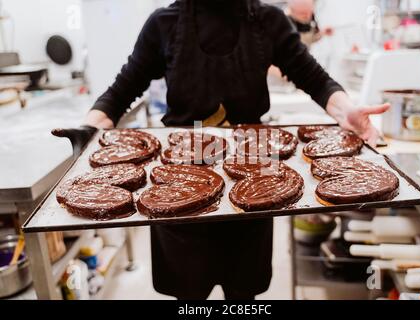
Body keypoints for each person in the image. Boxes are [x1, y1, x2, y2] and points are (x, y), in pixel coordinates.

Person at [56, 0, 389, 300]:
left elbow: (312, 77)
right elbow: (121, 90)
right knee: (189, 298)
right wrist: (91, 126)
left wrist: (348, 112)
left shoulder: (268, 20)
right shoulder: (164, 22)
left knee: (243, 298)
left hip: (257, 187)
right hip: (175, 192)